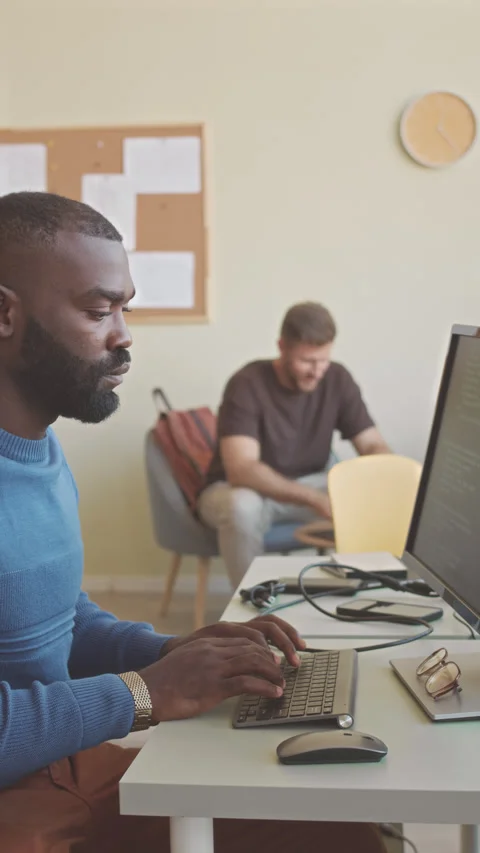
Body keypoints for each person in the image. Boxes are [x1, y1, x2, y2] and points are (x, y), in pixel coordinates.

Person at [0, 192, 387, 853]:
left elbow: (50, 619)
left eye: (126, 307)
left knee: (340, 822)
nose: (124, 335)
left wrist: (172, 651)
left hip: (59, 762)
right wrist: (143, 693)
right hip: (16, 792)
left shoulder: (41, 449)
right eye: (99, 311)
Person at [198, 301, 390, 586]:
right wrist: (314, 498)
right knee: (242, 506)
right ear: (282, 347)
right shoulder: (247, 383)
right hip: (241, 490)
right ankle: (253, 608)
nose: (317, 371)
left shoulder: (337, 378)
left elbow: (372, 444)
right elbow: (242, 469)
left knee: (371, 491)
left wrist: (389, 474)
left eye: (323, 360)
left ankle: (369, 592)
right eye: (306, 361)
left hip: (308, 484)